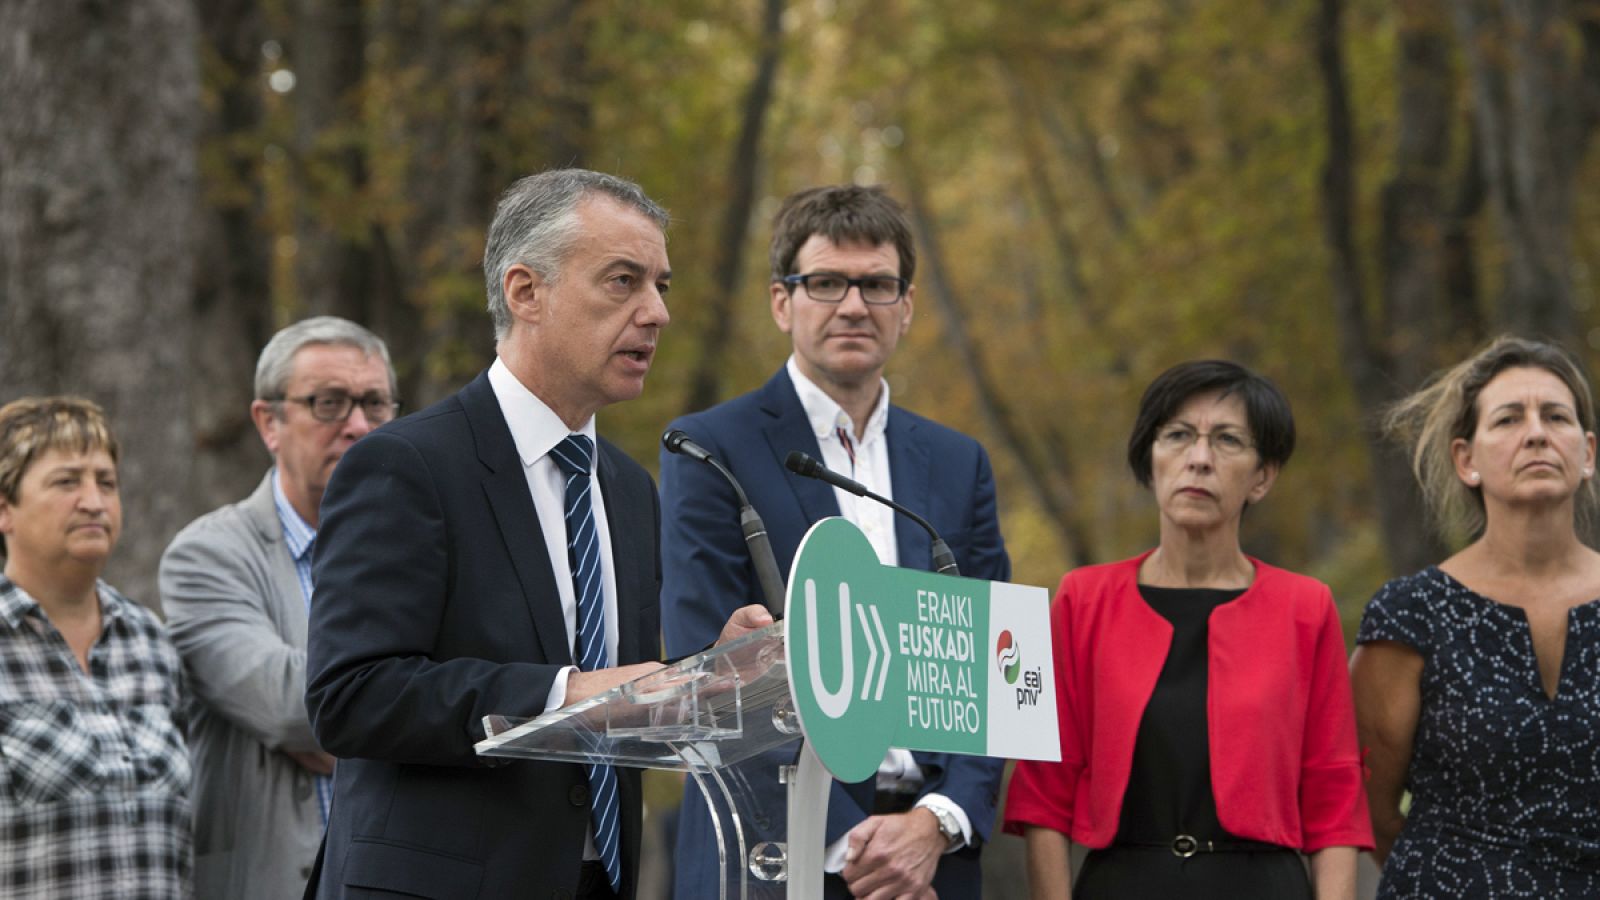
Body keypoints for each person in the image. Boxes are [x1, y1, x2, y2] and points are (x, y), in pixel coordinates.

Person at [302, 169, 772, 900]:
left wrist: (706, 672)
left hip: (598, 879)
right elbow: (352, 696)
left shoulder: (627, 488)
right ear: (526, 292)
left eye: (662, 287)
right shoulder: (406, 465)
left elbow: (618, 695)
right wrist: (567, 694)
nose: (656, 314)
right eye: (624, 281)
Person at [661, 184, 1009, 900]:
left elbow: (993, 670)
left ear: (906, 307)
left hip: (933, 864)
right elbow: (709, 662)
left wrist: (936, 824)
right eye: (826, 282)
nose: (854, 305)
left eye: (878, 285)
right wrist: (855, 844)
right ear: (782, 301)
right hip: (773, 854)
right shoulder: (707, 448)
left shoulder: (958, 462)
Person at [1003, 360, 1371, 899]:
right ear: (1150, 461)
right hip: (1121, 884)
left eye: (1227, 441)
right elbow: (1044, 790)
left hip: (1263, 885)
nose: (1198, 459)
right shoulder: (1082, 599)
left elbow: (1334, 795)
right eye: (1178, 436)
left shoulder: (1305, 607)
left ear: (1263, 477)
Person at [1351, 336, 1600, 897]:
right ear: (1466, 460)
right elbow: (1370, 807)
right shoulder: (1411, 613)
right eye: (1509, 419)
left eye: (1555, 416)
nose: (1536, 432)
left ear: (1587, 453)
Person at [159, 317, 397, 900]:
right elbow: (295, 707)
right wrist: (408, 712)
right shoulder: (206, 556)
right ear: (269, 422)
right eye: (329, 403)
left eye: (374, 403)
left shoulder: (425, 550)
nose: (358, 426)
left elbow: (473, 703)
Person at [0, 396, 192, 898]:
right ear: (4, 510)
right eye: (67, 481)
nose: (94, 501)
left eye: (106, 482)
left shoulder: (151, 641)